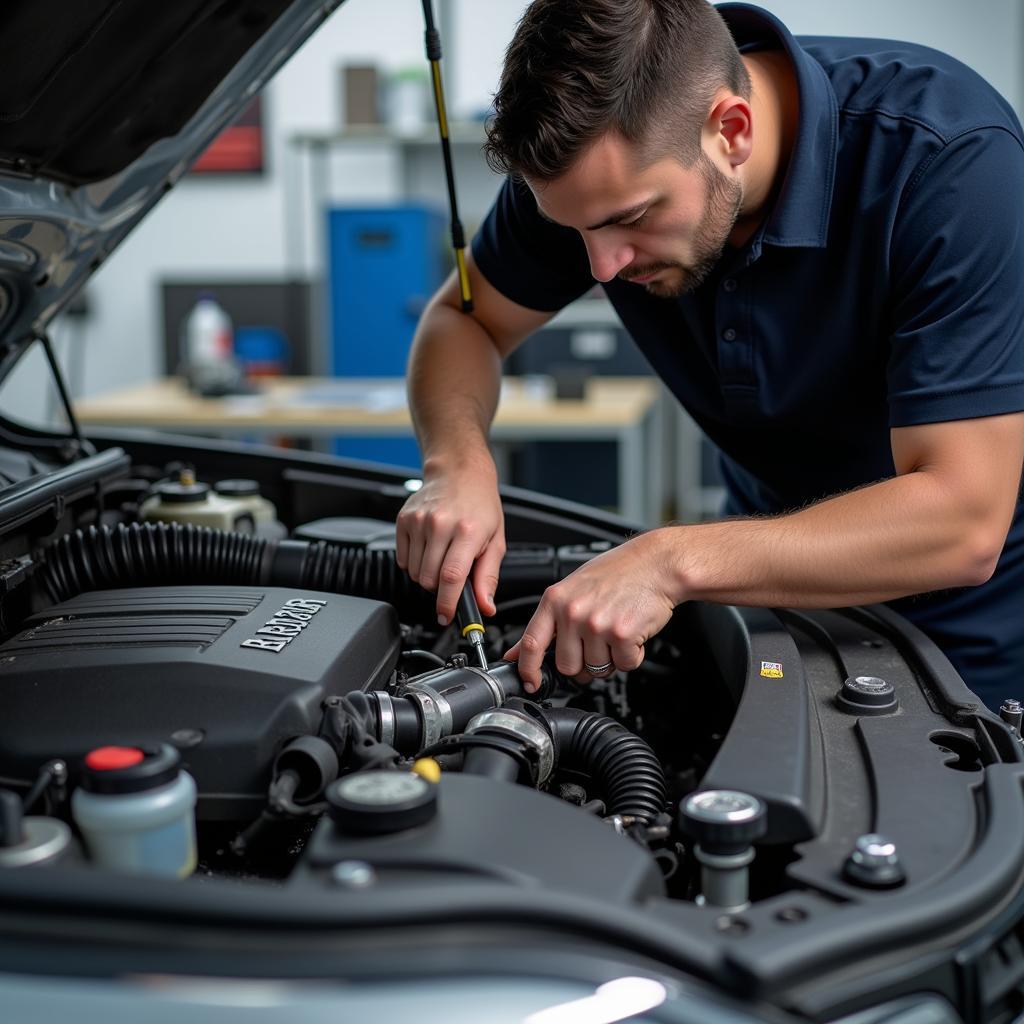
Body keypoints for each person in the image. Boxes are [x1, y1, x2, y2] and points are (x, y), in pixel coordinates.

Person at [395, 0, 1024, 711]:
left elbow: (963, 521)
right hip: (760, 598)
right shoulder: (588, 179)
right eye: (575, 234)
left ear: (732, 130)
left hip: (961, 641)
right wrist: (457, 466)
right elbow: (463, 321)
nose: (600, 268)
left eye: (630, 220)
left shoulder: (949, 161)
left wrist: (670, 561)